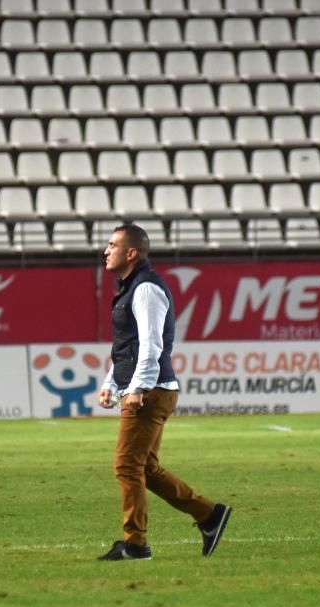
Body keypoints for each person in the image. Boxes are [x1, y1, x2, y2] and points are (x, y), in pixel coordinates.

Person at [96, 224, 231, 561]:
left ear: (131, 253)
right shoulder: (134, 287)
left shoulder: (145, 289)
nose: (105, 250)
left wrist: (137, 387)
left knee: (127, 467)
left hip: (151, 391)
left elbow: (151, 345)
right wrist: (112, 382)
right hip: (151, 388)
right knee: (146, 469)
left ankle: (136, 545)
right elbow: (129, 345)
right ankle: (209, 515)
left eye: (112, 245)